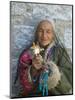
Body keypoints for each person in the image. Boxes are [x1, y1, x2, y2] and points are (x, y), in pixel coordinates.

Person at [17, 20, 72, 97]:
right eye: (40, 31)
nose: (44, 36)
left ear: (53, 34)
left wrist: (53, 71)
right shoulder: (28, 53)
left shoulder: (60, 52)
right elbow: (21, 83)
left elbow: (70, 76)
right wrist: (33, 70)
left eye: (48, 32)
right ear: (36, 33)